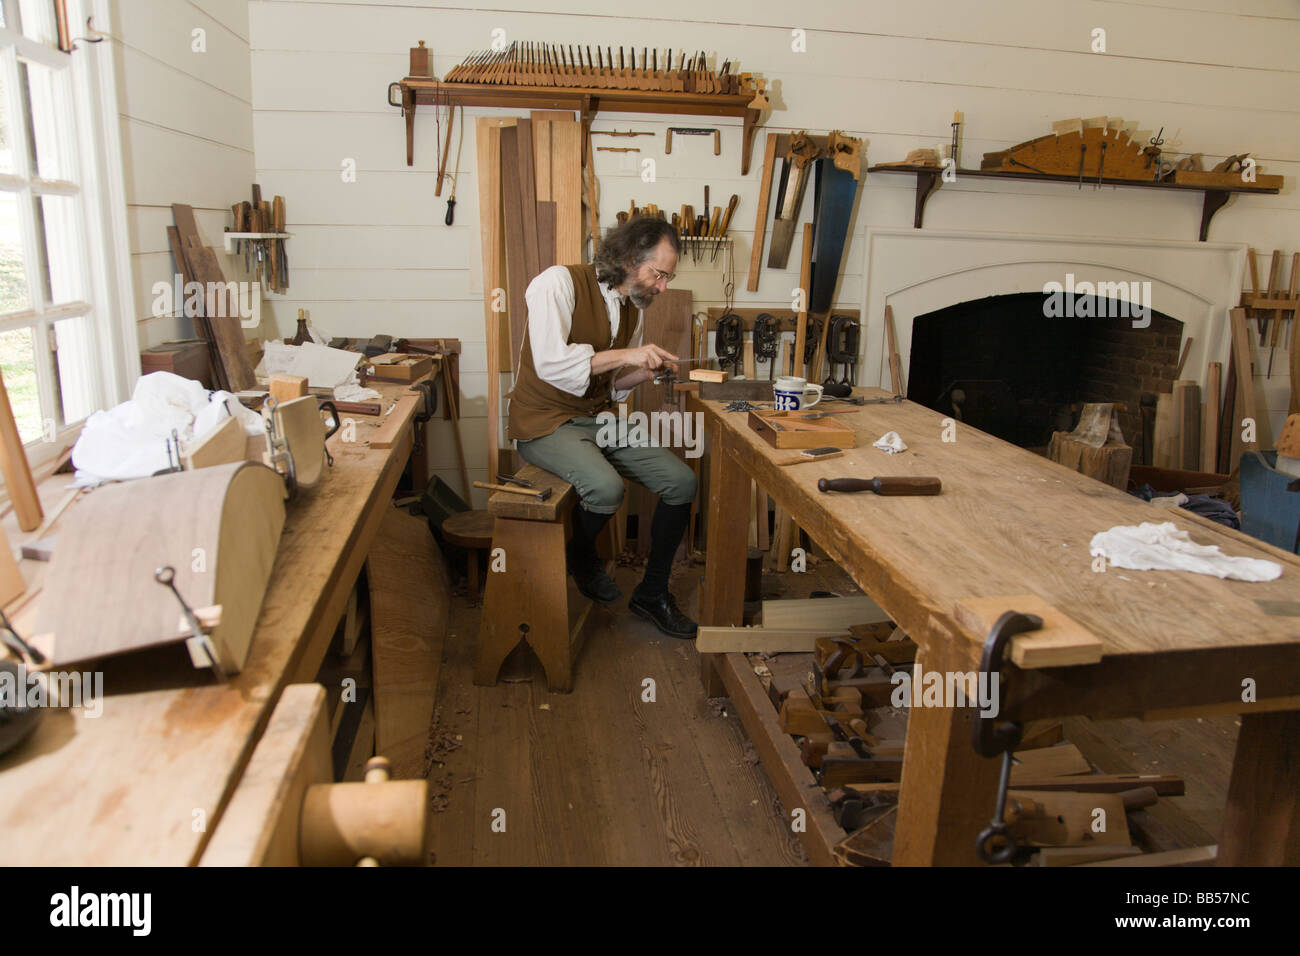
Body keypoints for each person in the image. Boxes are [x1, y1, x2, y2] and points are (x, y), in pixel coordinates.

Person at [508, 217, 697, 638]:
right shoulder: (556, 284)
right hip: (544, 419)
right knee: (606, 488)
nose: (663, 286)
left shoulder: (632, 305)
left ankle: (651, 594)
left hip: (595, 417)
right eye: (659, 274)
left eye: (668, 277)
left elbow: (609, 382)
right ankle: (580, 553)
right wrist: (630, 354)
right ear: (630, 259)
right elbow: (554, 364)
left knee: (682, 482)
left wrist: (645, 372)